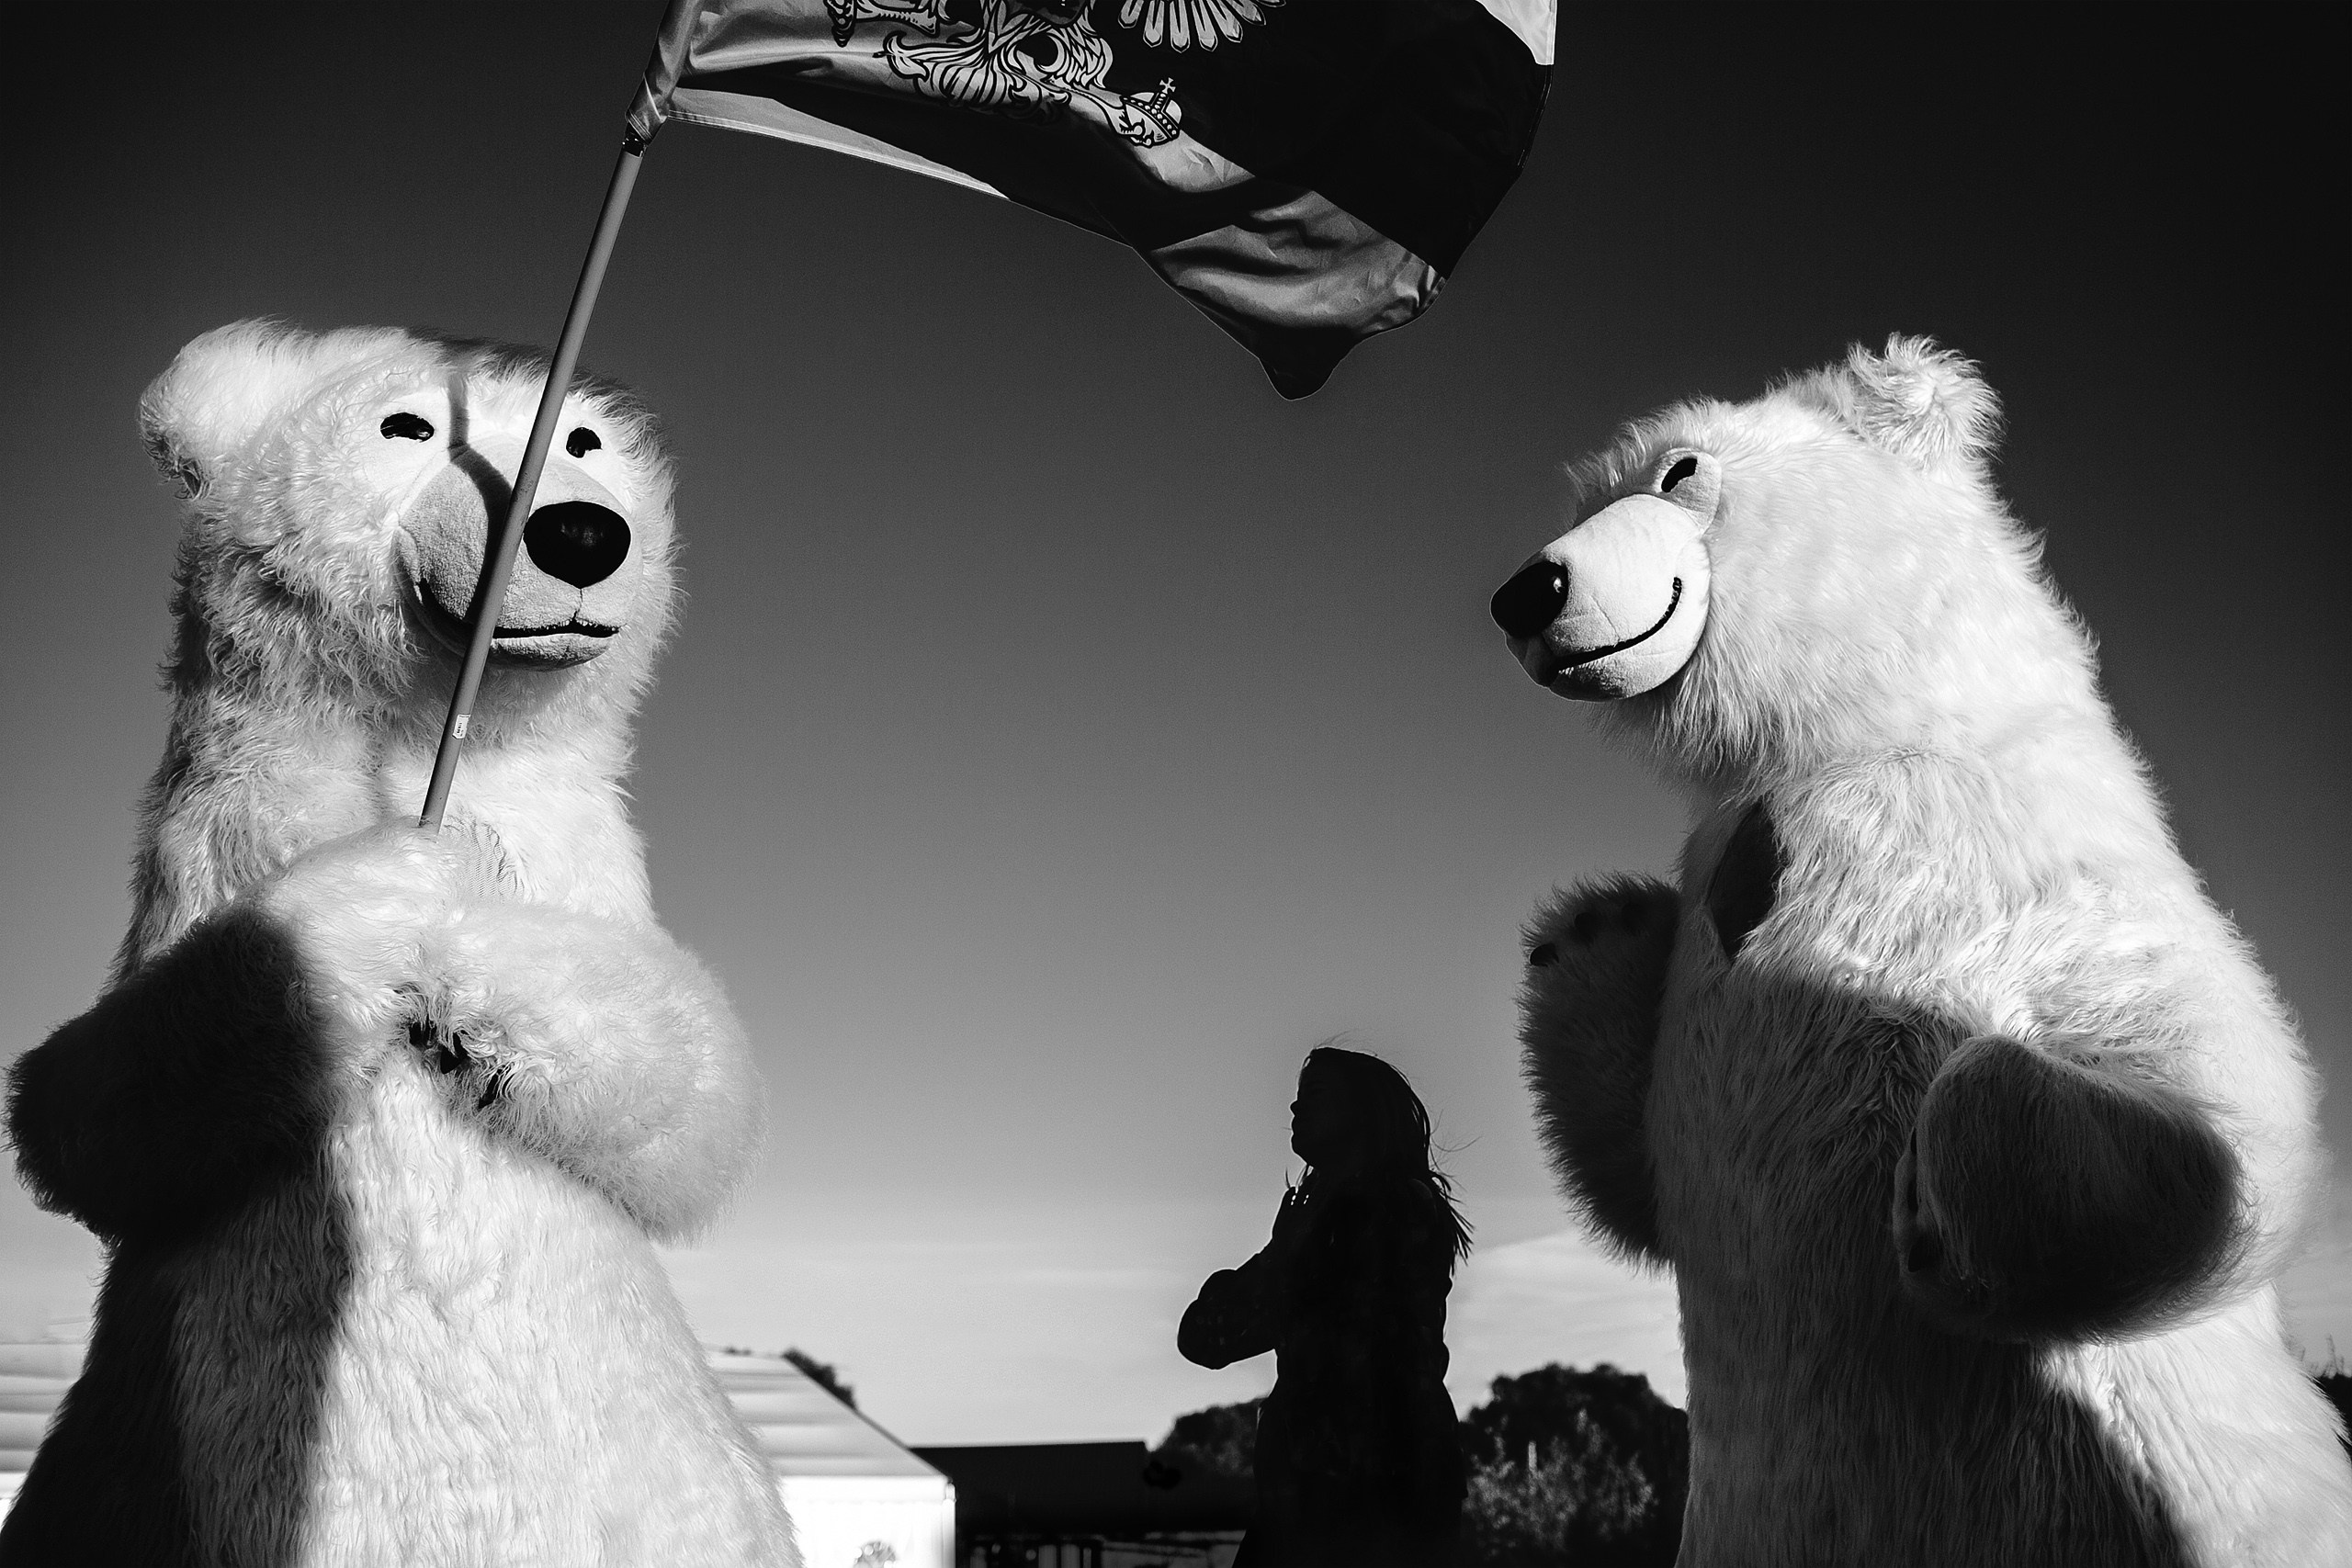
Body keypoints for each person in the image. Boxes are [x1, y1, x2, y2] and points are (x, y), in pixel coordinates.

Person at [1179, 1045, 1472, 1566]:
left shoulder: (1395, 1210)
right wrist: (1284, 1252)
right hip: (1315, 1512)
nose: (1294, 1109)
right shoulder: (1316, 1226)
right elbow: (1203, 1338)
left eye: (1314, 1095)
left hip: (1372, 1513)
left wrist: (1284, 1256)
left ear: (1362, 1112)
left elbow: (1220, 1334)